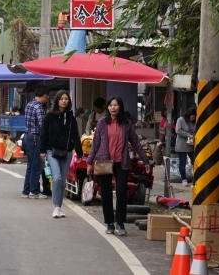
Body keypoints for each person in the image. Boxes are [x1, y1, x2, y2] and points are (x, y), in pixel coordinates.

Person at [87, 96, 151, 236]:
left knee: (122, 191)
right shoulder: (102, 123)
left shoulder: (126, 123)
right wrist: (89, 162)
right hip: (104, 162)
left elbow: (136, 143)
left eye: (116, 105)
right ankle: (110, 223)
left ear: (120, 107)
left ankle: (120, 223)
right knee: (106, 193)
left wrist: (145, 161)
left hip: (121, 162)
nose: (113, 108)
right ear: (107, 107)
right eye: (110, 105)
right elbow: (95, 144)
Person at [40, 90, 84, 218]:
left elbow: (75, 135)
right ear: (57, 100)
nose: (64, 101)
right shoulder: (49, 116)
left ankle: (59, 207)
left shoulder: (71, 118)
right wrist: (42, 150)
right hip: (51, 151)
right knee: (57, 178)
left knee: (62, 181)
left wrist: (79, 152)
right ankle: (55, 206)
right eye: (61, 98)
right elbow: (44, 133)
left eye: (66, 99)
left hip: (67, 152)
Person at [22, 84, 49, 199]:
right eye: (47, 97)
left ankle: (26, 191)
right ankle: (34, 191)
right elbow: (42, 125)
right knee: (36, 165)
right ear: (44, 95)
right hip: (35, 138)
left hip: (27, 136)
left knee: (30, 164)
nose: (47, 99)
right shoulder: (39, 107)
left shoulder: (29, 104)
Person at [175, 108, 196, 186]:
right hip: (182, 144)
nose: (193, 119)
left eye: (194, 118)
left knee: (195, 160)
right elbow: (178, 131)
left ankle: (196, 177)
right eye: (192, 117)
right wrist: (188, 135)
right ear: (189, 115)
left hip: (191, 145)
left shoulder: (194, 122)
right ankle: (184, 180)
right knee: (182, 162)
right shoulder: (180, 120)